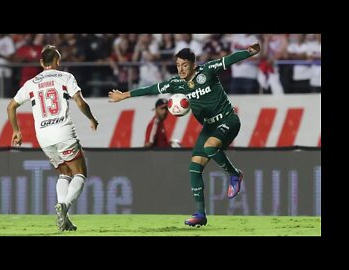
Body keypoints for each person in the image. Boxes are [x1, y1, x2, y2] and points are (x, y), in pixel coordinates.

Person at [109, 43, 261, 227]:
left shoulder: (207, 71)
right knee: (194, 167)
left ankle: (235, 174)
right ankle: (200, 214)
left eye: (185, 65)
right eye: (178, 65)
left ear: (193, 65)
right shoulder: (177, 84)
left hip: (228, 120)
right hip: (209, 127)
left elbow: (228, 60)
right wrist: (124, 95)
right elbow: (152, 89)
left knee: (210, 147)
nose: (181, 69)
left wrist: (249, 52)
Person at [7, 45, 99, 231]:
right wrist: (91, 118)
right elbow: (80, 101)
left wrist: (16, 131)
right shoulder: (65, 77)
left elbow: (11, 107)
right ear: (58, 62)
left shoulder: (31, 83)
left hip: (43, 136)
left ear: (42, 63)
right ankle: (64, 207)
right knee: (80, 173)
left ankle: (64, 220)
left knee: (64, 173)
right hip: (63, 131)